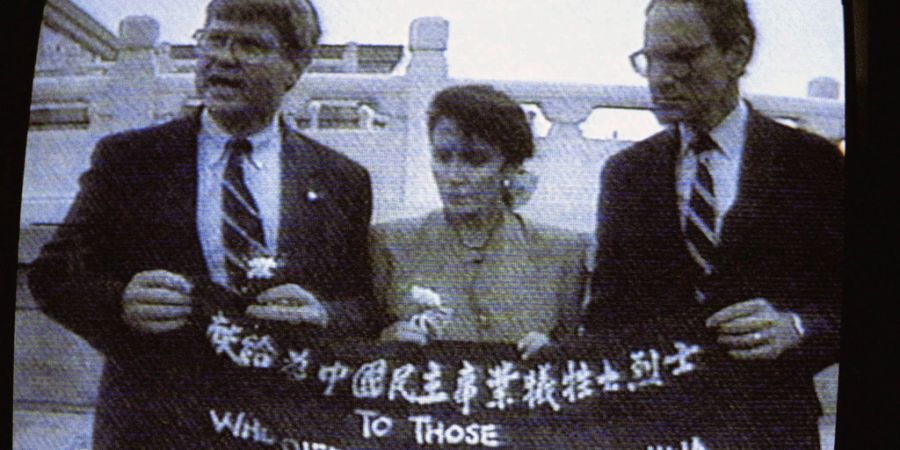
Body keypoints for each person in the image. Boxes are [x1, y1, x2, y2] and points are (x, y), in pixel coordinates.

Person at [27, 0, 378, 447]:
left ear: (295, 66)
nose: (224, 57)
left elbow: (363, 302)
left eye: (249, 45)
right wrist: (120, 302)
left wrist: (324, 314)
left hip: (284, 421)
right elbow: (52, 276)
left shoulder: (341, 179)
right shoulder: (131, 159)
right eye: (214, 39)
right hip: (156, 423)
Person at [583, 0, 843, 448]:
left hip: (771, 426)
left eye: (682, 57)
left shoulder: (812, 164)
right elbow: (609, 316)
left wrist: (797, 328)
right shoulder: (627, 174)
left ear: (737, 53)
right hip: (657, 428)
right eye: (650, 59)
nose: (660, 77)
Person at [372, 84, 590, 359]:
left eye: (475, 160)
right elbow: (356, 341)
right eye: (442, 158)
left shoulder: (564, 252)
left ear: (509, 166)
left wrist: (554, 353)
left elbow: (577, 359)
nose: (454, 176)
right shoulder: (390, 243)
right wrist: (384, 341)